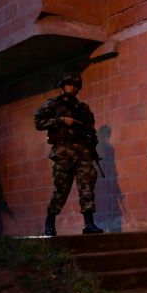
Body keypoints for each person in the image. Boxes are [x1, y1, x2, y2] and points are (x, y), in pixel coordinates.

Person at [34, 72, 103, 236]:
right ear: (63, 86)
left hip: (82, 152)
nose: (72, 87)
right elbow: (38, 121)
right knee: (61, 190)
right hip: (63, 152)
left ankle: (89, 224)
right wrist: (60, 121)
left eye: (75, 85)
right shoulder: (53, 104)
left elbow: (91, 131)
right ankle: (50, 221)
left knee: (87, 187)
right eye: (69, 84)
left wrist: (91, 147)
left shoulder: (83, 109)